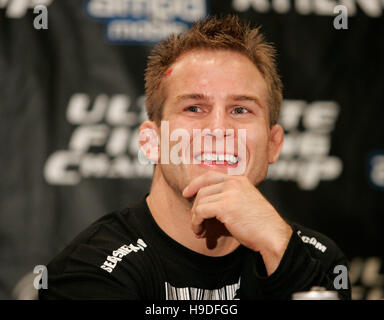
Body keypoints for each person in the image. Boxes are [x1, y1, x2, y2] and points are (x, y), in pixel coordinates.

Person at [39, 15, 351, 300]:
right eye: (194, 108)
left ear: (273, 144)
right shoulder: (91, 270)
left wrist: (279, 248)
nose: (218, 129)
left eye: (241, 110)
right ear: (152, 141)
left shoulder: (318, 260)